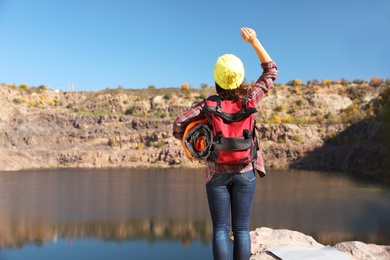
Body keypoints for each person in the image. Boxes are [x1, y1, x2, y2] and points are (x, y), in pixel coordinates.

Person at [172, 27, 278, 260]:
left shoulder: (208, 105)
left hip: (216, 171)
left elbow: (178, 124)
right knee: (241, 229)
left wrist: (200, 136)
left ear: (217, 79)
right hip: (246, 169)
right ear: (240, 77)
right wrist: (254, 41)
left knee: (220, 229)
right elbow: (271, 71)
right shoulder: (250, 98)